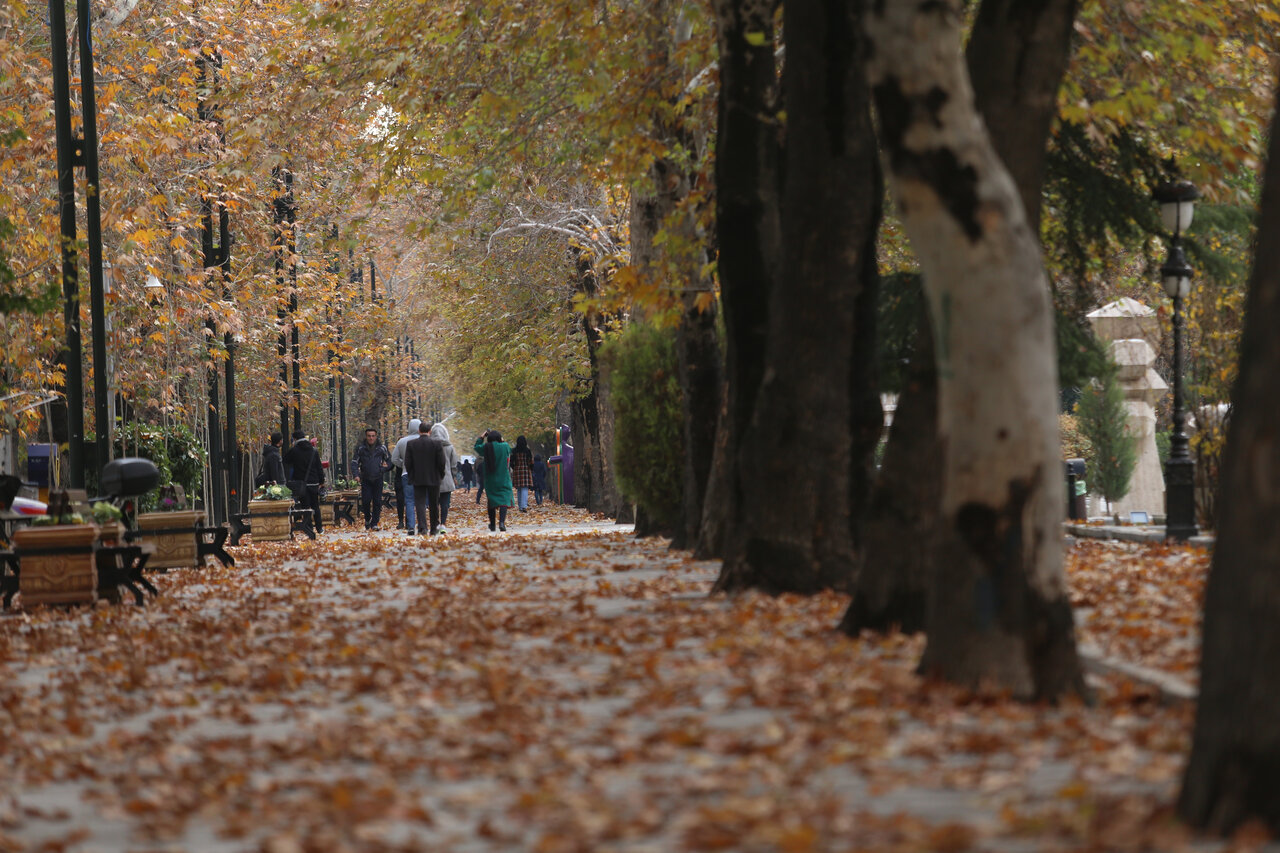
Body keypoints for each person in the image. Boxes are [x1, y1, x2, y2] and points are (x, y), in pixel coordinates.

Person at [404, 420, 446, 535]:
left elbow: (408, 462)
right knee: (434, 503)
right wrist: (441, 474)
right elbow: (441, 462)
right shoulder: (437, 444)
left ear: (419, 431)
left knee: (420, 503)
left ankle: (422, 528)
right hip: (434, 477)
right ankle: (434, 527)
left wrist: (411, 474)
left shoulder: (412, 444)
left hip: (418, 477)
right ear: (430, 431)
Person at [282, 428, 325, 533]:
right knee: (315, 505)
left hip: (301, 483)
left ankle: (309, 527)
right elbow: (319, 467)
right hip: (314, 482)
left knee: (305, 506)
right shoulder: (314, 450)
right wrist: (321, 481)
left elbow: (285, 460)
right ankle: (319, 528)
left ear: (295, 439)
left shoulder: (294, 450)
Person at [352, 427, 392, 530]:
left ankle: (374, 523)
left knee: (377, 502)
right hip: (365, 478)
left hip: (378, 478)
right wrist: (356, 474)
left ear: (376, 436)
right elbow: (354, 462)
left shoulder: (382, 448)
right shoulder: (361, 448)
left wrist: (383, 469)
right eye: (369, 436)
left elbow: (390, 461)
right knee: (365, 500)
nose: (371, 438)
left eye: (373, 436)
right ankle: (367, 518)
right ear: (366, 436)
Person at [475, 430, 513, 532]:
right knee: (504, 500)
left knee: (491, 501)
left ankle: (492, 524)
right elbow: (509, 449)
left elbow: (477, 447)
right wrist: (502, 440)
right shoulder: (505, 446)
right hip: (504, 478)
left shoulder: (486, 447)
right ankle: (501, 522)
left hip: (490, 479)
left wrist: (481, 437)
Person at [390, 418, 422, 534]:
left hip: (406, 473)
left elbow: (394, 459)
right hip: (421, 474)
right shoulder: (423, 440)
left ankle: (410, 525)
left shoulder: (402, 441)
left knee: (409, 501)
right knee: (421, 499)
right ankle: (422, 523)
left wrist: (403, 464)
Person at [430, 422, 458, 533]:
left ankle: (435, 523)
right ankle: (443, 523)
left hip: (433, 478)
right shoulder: (450, 447)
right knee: (445, 503)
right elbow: (454, 463)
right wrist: (454, 475)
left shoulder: (430, 446)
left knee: (434, 503)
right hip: (447, 478)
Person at [509, 435, 534, 512]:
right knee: (525, 488)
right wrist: (531, 468)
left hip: (517, 470)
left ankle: (520, 506)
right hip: (525, 470)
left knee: (519, 489)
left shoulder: (514, 451)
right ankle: (524, 506)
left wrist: (514, 467)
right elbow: (531, 461)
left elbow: (511, 462)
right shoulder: (527, 451)